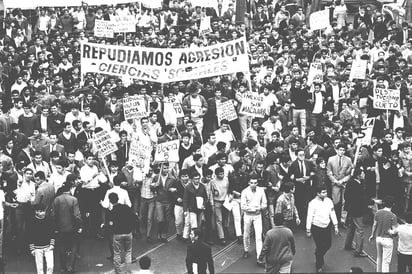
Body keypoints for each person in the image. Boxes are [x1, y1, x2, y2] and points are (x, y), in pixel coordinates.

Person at [306, 184, 339, 273]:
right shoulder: (312, 203)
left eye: (326, 192)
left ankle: (318, 255)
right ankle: (319, 264)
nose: (325, 194)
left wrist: (335, 225)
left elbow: (332, 213)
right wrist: (308, 229)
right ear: (318, 193)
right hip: (316, 227)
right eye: (323, 192)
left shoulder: (329, 201)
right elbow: (309, 216)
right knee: (320, 246)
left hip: (326, 226)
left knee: (328, 244)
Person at [51, 183, 82, 273]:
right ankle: (71, 267)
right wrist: (79, 226)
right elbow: (77, 215)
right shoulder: (74, 199)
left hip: (60, 227)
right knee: (74, 246)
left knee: (61, 246)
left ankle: (63, 267)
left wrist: (55, 227)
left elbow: (53, 215)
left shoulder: (57, 199)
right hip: (72, 227)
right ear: (70, 189)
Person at [241, 175, 267, 266]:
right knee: (246, 233)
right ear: (249, 183)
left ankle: (259, 257)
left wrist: (259, 208)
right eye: (251, 183)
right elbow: (243, 206)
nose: (253, 184)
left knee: (258, 235)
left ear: (257, 183)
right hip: (248, 216)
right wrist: (253, 209)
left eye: (255, 183)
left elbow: (264, 203)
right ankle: (246, 250)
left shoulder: (261, 190)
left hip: (257, 216)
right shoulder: (244, 192)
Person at [108, 192, 137, 274]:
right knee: (128, 252)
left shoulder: (112, 212)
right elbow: (134, 217)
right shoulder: (126, 207)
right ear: (118, 198)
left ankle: (118, 271)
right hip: (128, 232)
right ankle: (128, 271)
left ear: (110, 201)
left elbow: (110, 225)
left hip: (117, 234)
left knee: (117, 253)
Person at [369, 196, 398, 273]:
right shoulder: (393, 216)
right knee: (386, 262)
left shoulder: (378, 212)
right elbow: (394, 231)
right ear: (393, 204)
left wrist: (372, 235)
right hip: (388, 240)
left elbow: (374, 225)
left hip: (378, 238)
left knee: (379, 258)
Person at [344, 167, 368, 257]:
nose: (364, 175)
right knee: (360, 230)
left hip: (351, 209)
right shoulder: (358, 185)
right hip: (357, 210)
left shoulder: (351, 183)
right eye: (362, 173)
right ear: (358, 175)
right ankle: (359, 251)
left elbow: (346, 196)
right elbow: (360, 198)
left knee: (352, 227)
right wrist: (371, 202)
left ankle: (348, 244)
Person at [28, 205, 55, 274]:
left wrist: (52, 244)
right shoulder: (31, 222)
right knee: (40, 268)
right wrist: (32, 249)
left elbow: (52, 233)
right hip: (37, 248)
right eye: (41, 211)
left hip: (48, 247)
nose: (43, 213)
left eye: (44, 211)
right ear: (36, 212)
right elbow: (29, 236)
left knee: (50, 266)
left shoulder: (49, 220)